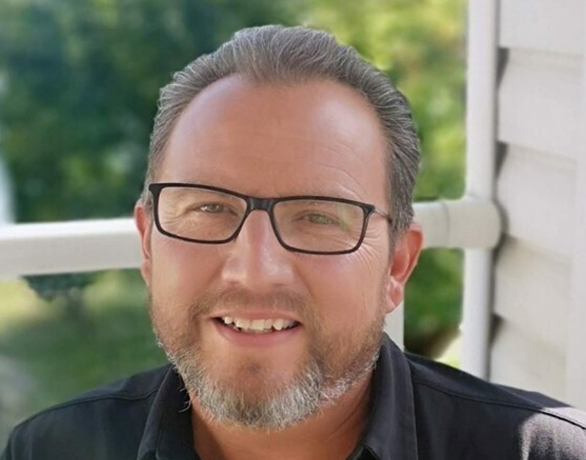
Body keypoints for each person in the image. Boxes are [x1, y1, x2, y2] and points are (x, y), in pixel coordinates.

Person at [2, 25, 586, 460]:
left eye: (319, 218)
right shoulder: (50, 449)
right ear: (149, 245)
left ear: (396, 267)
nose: (255, 271)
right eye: (209, 207)